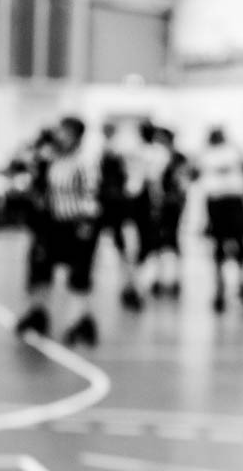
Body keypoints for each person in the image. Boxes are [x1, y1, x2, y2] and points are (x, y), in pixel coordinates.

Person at [16, 117, 101, 346]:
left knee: (78, 276)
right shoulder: (52, 158)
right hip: (53, 223)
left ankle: (78, 321)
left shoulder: (84, 161)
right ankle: (38, 313)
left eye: (66, 133)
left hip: (79, 224)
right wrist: (39, 146)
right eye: (60, 132)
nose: (61, 137)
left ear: (77, 136)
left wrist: (87, 226)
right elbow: (26, 166)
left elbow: (91, 195)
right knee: (41, 270)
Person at [197, 127, 243, 312]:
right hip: (223, 201)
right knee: (225, 247)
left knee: (237, 246)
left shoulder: (229, 151)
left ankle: (238, 286)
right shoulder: (213, 153)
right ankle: (224, 288)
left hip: (229, 201)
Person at [123, 120, 170, 309]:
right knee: (145, 245)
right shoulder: (158, 153)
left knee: (139, 244)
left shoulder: (137, 152)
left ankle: (136, 284)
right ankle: (138, 285)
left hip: (137, 199)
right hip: (144, 200)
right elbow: (153, 180)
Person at [98, 121, 138, 305]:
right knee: (118, 245)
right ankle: (129, 283)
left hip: (114, 204)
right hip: (109, 202)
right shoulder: (107, 150)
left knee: (122, 245)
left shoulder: (117, 151)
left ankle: (130, 284)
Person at [155, 126, 192, 297]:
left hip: (171, 204)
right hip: (161, 203)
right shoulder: (158, 156)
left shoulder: (177, 158)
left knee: (172, 240)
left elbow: (184, 180)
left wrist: (179, 200)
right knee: (159, 241)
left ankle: (174, 278)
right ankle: (161, 277)